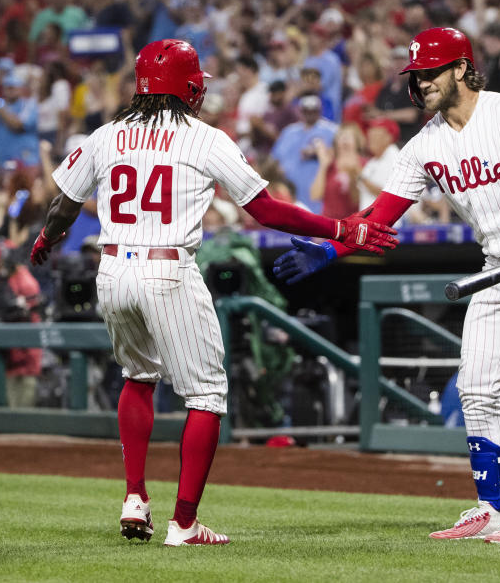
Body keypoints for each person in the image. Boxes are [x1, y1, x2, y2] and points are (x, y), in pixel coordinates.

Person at [29, 39, 396, 547]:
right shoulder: (204, 138)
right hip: (167, 269)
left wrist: (47, 239)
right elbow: (265, 210)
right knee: (205, 396)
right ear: (191, 86)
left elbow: (64, 205)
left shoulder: (105, 135)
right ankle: (184, 524)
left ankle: (135, 496)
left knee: (138, 376)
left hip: (111, 271)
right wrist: (340, 229)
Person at [273, 27, 500, 545]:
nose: (419, 83)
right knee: (475, 387)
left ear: (463, 69)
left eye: (430, 72)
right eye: (416, 75)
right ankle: (494, 507)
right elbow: (382, 214)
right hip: (494, 264)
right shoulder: (426, 143)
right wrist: (333, 247)